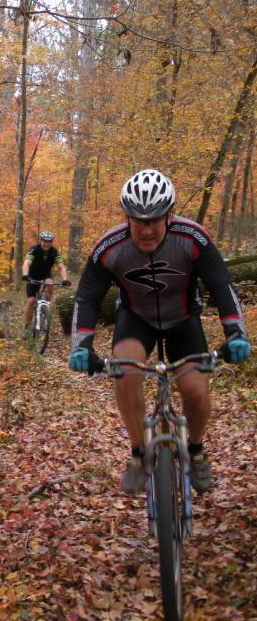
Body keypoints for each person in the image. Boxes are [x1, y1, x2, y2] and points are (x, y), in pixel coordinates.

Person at [67, 169, 251, 494]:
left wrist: (236, 333)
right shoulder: (110, 247)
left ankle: (195, 450)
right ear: (127, 217)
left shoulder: (193, 238)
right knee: (123, 371)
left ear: (169, 214)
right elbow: (87, 297)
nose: (147, 228)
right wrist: (81, 345)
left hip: (183, 319)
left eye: (155, 219)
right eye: (139, 220)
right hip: (136, 319)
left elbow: (222, 285)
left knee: (195, 390)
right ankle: (139, 454)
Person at [22, 230, 71, 335]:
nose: (46, 243)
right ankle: (26, 328)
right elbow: (27, 263)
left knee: (49, 283)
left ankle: (46, 306)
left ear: (52, 242)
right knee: (31, 301)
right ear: (41, 241)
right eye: (44, 241)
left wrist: (65, 279)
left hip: (46, 276)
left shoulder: (54, 252)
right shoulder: (34, 249)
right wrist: (25, 274)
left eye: (49, 241)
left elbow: (61, 267)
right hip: (32, 276)